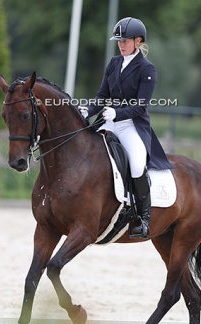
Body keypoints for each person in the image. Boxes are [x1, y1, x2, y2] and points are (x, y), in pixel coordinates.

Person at [80, 17, 173, 239]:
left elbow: (140, 107)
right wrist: (87, 110)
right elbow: (102, 96)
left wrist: (118, 113)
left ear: (138, 41)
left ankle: (144, 217)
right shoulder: (113, 63)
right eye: (119, 41)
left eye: (125, 41)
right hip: (109, 121)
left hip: (131, 125)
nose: (121, 45)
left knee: (137, 164)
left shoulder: (146, 69)